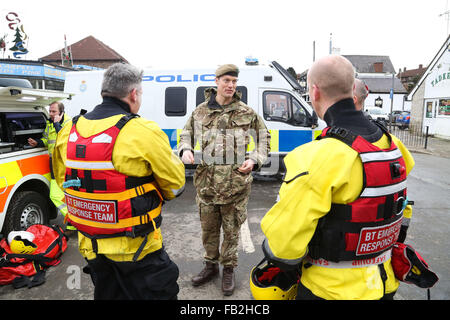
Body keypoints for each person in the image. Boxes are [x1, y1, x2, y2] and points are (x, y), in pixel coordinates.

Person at [260, 55, 415, 300]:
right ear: (352, 88)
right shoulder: (393, 145)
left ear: (314, 91)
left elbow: (283, 248)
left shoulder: (316, 156)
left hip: (330, 290)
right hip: (383, 282)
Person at [52, 63, 185, 300]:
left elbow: (64, 181)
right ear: (133, 94)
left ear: (104, 91)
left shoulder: (68, 130)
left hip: (91, 248)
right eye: (140, 93)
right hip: (138, 248)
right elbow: (175, 185)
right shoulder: (142, 130)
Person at [179, 64, 270, 296]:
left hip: (235, 185)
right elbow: (185, 134)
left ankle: (228, 269)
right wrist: (185, 149)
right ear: (216, 81)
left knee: (231, 231)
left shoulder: (246, 112)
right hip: (207, 184)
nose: (231, 85)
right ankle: (210, 266)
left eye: (234, 82)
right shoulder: (200, 111)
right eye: (227, 80)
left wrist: (255, 159)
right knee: (208, 230)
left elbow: (263, 138)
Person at [28, 101, 73, 230]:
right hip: (54, 163)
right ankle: (73, 220)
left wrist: (57, 123)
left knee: (70, 195)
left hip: (66, 164)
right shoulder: (50, 123)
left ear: (61, 112)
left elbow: (65, 139)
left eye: (54, 111)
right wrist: (37, 142)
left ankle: (74, 222)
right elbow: (47, 140)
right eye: (50, 111)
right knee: (55, 195)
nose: (51, 114)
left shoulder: (68, 122)